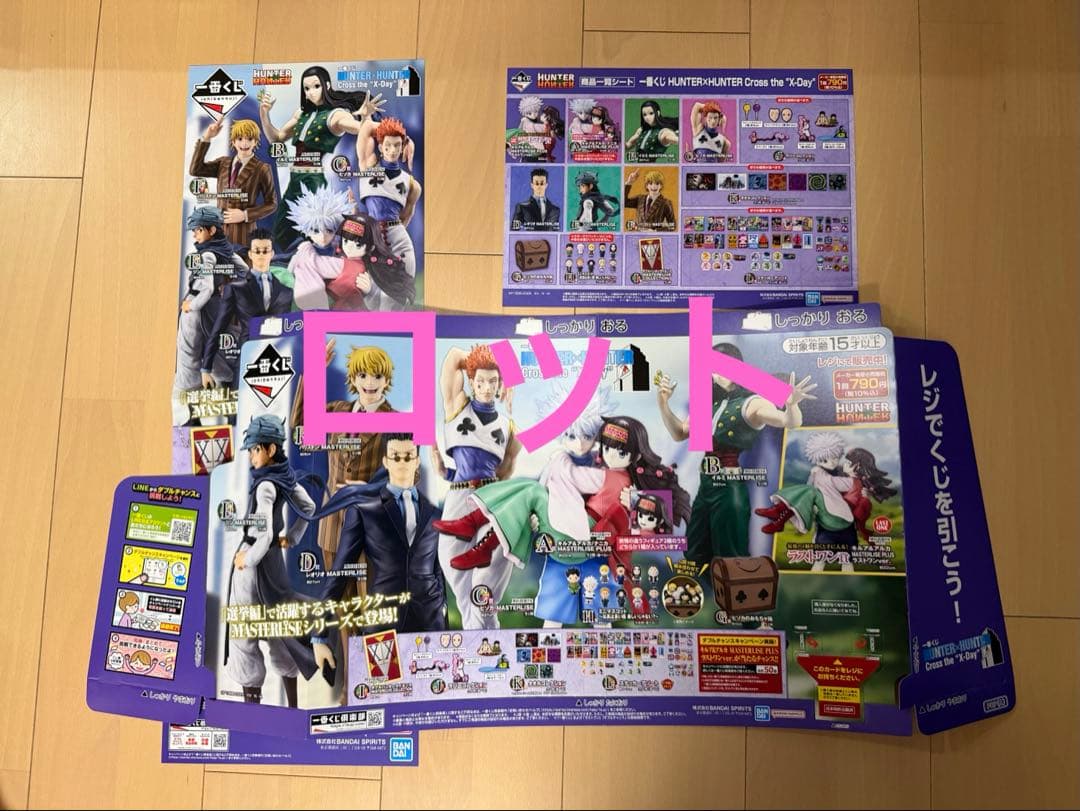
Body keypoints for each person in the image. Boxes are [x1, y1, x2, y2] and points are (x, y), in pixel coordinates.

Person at [655, 343, 817, 564]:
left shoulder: (751, 403)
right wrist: (663, 403)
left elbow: (789, 421)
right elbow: (680, 433)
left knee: (731, 554)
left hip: (729, 487)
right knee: (694, 551)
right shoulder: (708, 402)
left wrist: (791, 405)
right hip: (706, 486)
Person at [310, 434, 446, 677]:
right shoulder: (364, 510)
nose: (402, 463)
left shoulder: (434, 513)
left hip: (431, 623)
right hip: (383, 621)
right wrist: (319, 635)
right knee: (383, 690)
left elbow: (437, 568)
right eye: (396, 457)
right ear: (386, 461)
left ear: (417, 461)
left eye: (408, 457)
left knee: (432, 689)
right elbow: (339, 572)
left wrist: (442, 609)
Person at [224, 415, 320, 707]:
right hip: (274, 563)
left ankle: (252, 710)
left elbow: (264, 535)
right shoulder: (285, 476)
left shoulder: (266, 484)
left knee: (244, 631)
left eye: (256, 449)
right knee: (279, 624)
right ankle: (292, 707)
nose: (251, 455)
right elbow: (309, 506)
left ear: (271, 449)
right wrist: (291, 538)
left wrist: (247, 559)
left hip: (254, 563)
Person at [430, 345, 521, 630]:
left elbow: (504, 472)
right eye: (480, 381)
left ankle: (488, 631)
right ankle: (481, 638)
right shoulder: (457, 405)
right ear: (471, 381)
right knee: (456, 572)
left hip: (490, 499)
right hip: (458, 498)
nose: (486, 388)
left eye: (493, 381)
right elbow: (453, 356)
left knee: (488, 577)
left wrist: (509, 378)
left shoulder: (509, 426)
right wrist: (448, 473)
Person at [258, 65, 385, 250]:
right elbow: (276, 138)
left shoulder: (335, 115)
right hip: (295, 179)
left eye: (316, 86)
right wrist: (264, 114)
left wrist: (366, 117)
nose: (311, 92)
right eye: (307, 88)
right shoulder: (301, 113)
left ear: (327, 86)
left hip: (314, 181)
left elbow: (361, 129)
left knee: (314, 235)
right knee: (280, 234)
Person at [172, 206, 247, 424]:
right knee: (219, 356)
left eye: (198, 229)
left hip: (198, 311)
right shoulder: (226, 250)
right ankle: (228, 414)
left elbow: (205, 288)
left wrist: (191, 306)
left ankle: (190, 419)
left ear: (212, 230)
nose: (194, 234)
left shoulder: (206, 255)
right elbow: (245, 271)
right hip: (217, 309)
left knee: (189, 358)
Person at [199, 228, 293, 389]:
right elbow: (218, 328)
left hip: (278, 362)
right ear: (250, 254)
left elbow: (289, 330)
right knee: (240, 403)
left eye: (265, 250)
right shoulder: (236, 289)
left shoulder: (286, 292)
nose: (261, 255)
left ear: (272, 253)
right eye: (257, 251)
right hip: (247, 357)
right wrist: (205, 368)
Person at [188, 118, 277, 246]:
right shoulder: (223, 163)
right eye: (240, 139)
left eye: (249, 139)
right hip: (219, 235)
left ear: (255, 142)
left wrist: (245, 215)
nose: (244, 143)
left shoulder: (262, 168)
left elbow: (272, 204)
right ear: (233, 141)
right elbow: (195, 170)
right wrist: (207, 137)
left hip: (243, 235)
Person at [355, 117, 422, 281]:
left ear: (402, 147)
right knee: (370, 288)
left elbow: (405, 217)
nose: (392, 150)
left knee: (402, 287)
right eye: (388, 145)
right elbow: (367, 126)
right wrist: (408, 139)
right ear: (380, 147)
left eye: (397, 145)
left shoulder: (412, 184)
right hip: (372, 235)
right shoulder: (368, 167)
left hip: (398, 237)